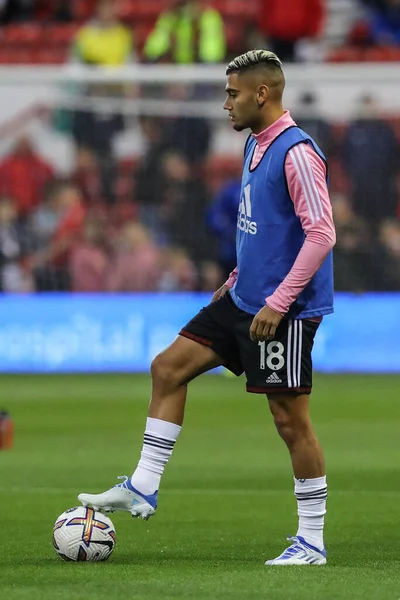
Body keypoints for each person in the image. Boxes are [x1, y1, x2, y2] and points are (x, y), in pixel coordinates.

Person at [78, 50, 336, 566]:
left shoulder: (297, 152)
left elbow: (322, 233)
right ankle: (143, 486)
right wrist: (239, 276)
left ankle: (312, 541)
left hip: (282, 310)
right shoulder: (254, 146)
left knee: (290, 421)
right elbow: (262, 227)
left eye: (233, 94)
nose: (225, 104)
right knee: (168, 368)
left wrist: (279, 302)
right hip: (241, 298)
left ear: (262, 93)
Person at [143, 0, 226, 64]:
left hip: (202, 66)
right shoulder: (170, 18)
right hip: (177, 67)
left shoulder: (209, 17)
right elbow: (154, 48)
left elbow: (211, 53)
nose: (188, 9)